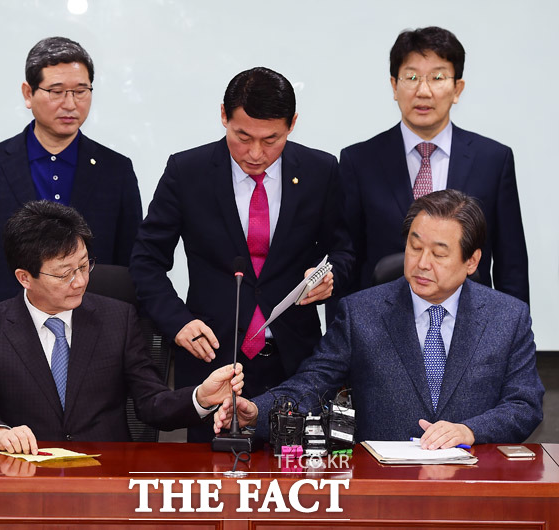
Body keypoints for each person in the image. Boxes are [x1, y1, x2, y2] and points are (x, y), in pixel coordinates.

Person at [215, 190, 543, 448]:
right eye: (415, 248)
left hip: (475, 483)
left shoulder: (507, 317)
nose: (422, 263)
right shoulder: (362, 313)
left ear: (471, 261)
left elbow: (524, 404)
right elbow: (313, 385)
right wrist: (257, 412)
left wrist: (470, 430)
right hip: (382, 487)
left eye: (439, 254)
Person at [130, 67, 354, 441]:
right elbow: (146, 259)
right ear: (224, 116)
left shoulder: (320, 170)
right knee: (210, 485)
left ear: (292, 124)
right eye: (242, 136)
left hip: (294, 361)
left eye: (271, 139)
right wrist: (177, 322)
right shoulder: (188, 171)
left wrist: (331, 277)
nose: (255, 153)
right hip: (211, 359)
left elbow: (343, 249)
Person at [0, 201, 243, 454]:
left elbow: (152, 403)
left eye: (84, 266)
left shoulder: (118, 318)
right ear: (25, 277)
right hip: (27, 479)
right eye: (64, 274)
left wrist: (202, 397)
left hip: (108, 475)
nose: (80, 281)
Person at [0, 36, 143, 368]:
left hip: (93, 345)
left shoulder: (116, 169)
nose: (70, 104)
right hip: (7, 344)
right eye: (56, 92)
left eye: (81, 91)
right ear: (28, 93)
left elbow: (131, 270)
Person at [334, 26, 528, 310]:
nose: (423, 91)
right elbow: (346, 260)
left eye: (437, 77)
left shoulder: (493, 160)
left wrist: (514, 336)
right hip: (382, 326)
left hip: (471, 327)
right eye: (411, 77)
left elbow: (511, 264)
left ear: (457, 88)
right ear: (394, 86)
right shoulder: (358, 160)